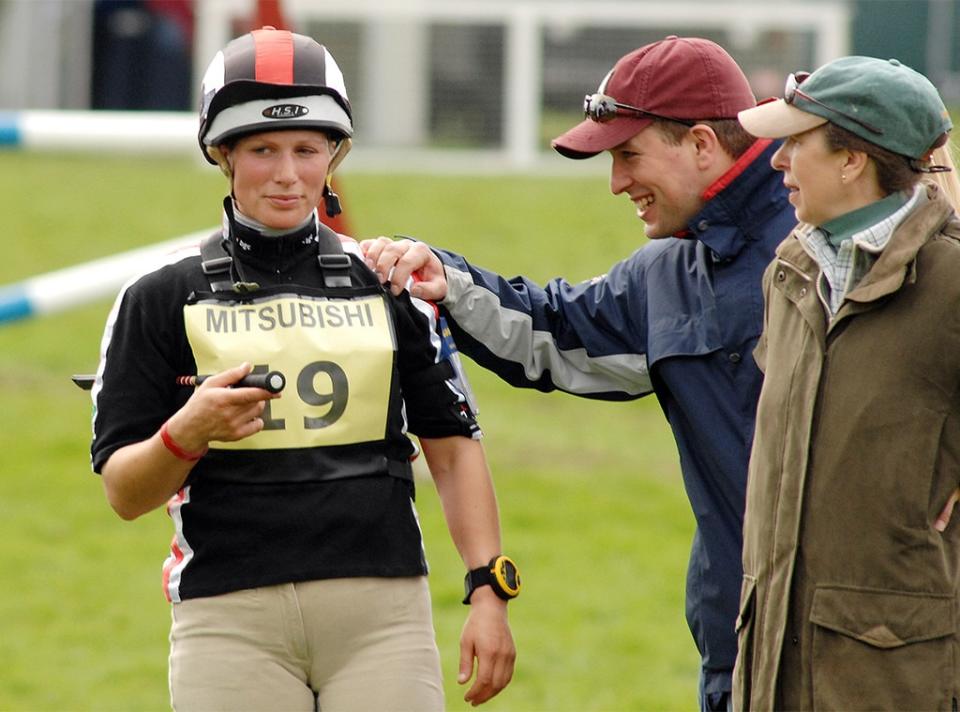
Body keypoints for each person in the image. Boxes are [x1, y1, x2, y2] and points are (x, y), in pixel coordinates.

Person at [363, 35, 798, 710]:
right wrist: (445, 280)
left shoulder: (825, 235)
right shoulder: (668, 277)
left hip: (868, 643)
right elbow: (555, 331)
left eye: (628, 155)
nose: (617, 182)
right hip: (737, 648)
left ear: (703, 145)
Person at [88, 27, 516, 711]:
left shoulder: (389, 280)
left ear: (332, 155)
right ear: (223, 155)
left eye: (307, 150)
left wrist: (489, 590)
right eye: (262, 150)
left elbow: (454, 448)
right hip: (228, 622)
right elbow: (124, 493)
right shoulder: (159, 298)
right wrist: (187, 432)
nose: (288, 174)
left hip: (383, 619)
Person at [733, 56, 959, 709]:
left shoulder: (950, 280)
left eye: (796, 142)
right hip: (773, 665)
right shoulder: (791, 269)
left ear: (852, 160)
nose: (777, 162)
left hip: (893, 678)